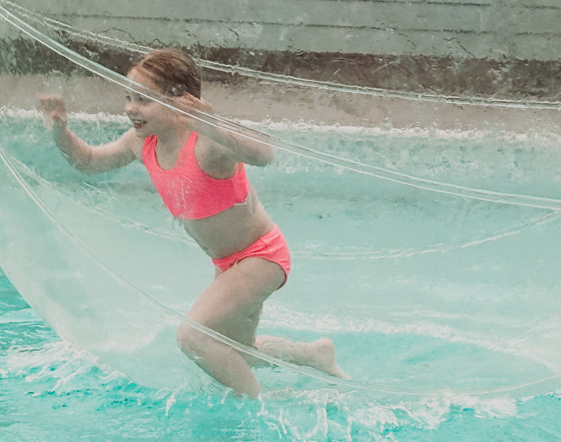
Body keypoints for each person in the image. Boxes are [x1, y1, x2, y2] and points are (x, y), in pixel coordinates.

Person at [38, 48, 346, 397]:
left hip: (261, 256)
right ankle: (314, 354)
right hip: (226, 264)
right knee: (240, 350)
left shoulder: (206, 146)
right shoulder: (143, 144)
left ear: (181, 101)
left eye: (143, 100)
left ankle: (260, 401)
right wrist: (59, 132)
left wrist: (211, 125)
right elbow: (89, 162)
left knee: (193, 336)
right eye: (128, 97)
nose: (129, 108)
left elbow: (265, 154)